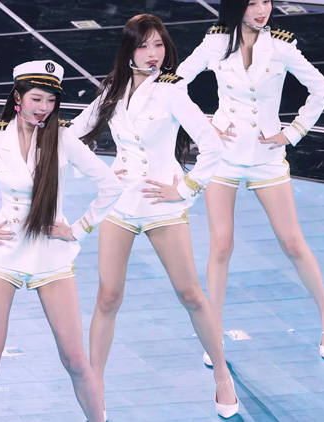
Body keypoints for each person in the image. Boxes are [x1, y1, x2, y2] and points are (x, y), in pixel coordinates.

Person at [0, 60, 121, 422]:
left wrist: (78, 228)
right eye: (36, 98)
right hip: (4, 256)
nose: (44, 107)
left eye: (50, 100)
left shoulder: (63, 138)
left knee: (76, 360)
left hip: (51, 257)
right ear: (17, 97)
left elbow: (110, 185)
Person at [69, 14, 239, 418]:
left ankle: (222, 375)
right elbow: (71, 135)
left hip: (163, 206)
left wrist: (184, 189)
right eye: (144, 46)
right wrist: (98, 173)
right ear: (128, 50)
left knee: (191, 294)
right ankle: (96, 388)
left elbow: (212, 146)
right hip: (120, 205)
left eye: (158, 45)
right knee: (108, 297)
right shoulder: (112, 88)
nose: (152, 54)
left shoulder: (172, 89)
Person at [176, 0, 324, 365]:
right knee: (221, 245)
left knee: (293, 242)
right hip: (224, 156)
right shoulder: (216, 42)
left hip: (267, 156)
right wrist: (205, 125)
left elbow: (321, 88)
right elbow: (175, 83)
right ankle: (214, 331)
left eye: (266, 1)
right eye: (252, 3)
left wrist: (293, 132)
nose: (261, 9)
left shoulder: (281, 46)